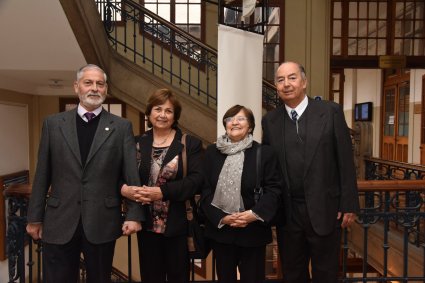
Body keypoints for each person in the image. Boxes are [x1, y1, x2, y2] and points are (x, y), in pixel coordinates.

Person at [26, 64, 144, 283]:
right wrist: (34, 218)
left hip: (102, 221)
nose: (94, 88)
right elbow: (42, 174)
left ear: (106, 89)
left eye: (100, 84)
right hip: (59, 220)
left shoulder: (121, 127)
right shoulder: (53, 124)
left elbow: (131, 176)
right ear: (76, 87)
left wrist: (134, 214)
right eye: (88, 82)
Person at [262, 61, 360, 283]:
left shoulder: (330, 112)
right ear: (276, 86)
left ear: (304, 82)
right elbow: (271, 170)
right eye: (280, 80)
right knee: (293, 274)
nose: (286, 84)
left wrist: (349, 204)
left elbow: (345, 160)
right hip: (288, 214)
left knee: (325, 274)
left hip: (326, 209)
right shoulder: (270, 121)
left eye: (292, 78)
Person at [121, 88, 204, 283]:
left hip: (177, 224)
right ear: (149, 113)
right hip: (146, 224)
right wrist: (124, 189)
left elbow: (196, 180)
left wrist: (162, 192)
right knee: (150, 277)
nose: (163, 115)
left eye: (168, 111)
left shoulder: (189, 143)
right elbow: (120, 175)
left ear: (175, 116)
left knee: (178, 277)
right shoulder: (136, 143)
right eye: (158, 109)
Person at [200, 105, 282, 283]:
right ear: (225, 124)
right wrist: (222, 218)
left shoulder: (264, 153)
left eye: (241, 119)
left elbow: (273, 190)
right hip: (221, 232)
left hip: (253, 231)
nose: (234, 122)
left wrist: (253, 215)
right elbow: (205, 190)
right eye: (230, 119)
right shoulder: (212, 153)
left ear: (250, 126)